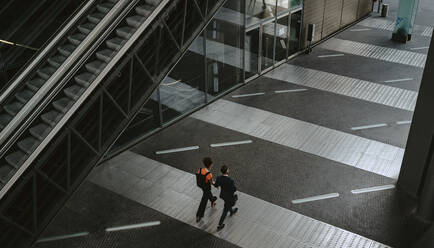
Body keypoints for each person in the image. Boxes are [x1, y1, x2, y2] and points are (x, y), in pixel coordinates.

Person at [214, 165, 238, 231]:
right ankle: (219, 225)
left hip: (223, 196)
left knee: (227, 205)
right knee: (225, 210)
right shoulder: (230, 180)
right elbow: (234, 189)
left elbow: (216, 185)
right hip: (229, 197)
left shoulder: (219, 178)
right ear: (227, 171)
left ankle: (232, 211)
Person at [196, 157, 217, 223]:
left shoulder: (200, 170)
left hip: (201, 185)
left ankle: (213, 200)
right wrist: (216, 185)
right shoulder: (209, 174)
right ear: (211, 165)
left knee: (207, 193)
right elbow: (211, 182)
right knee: (203, 202)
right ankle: (199, 215)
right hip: (206, 187)